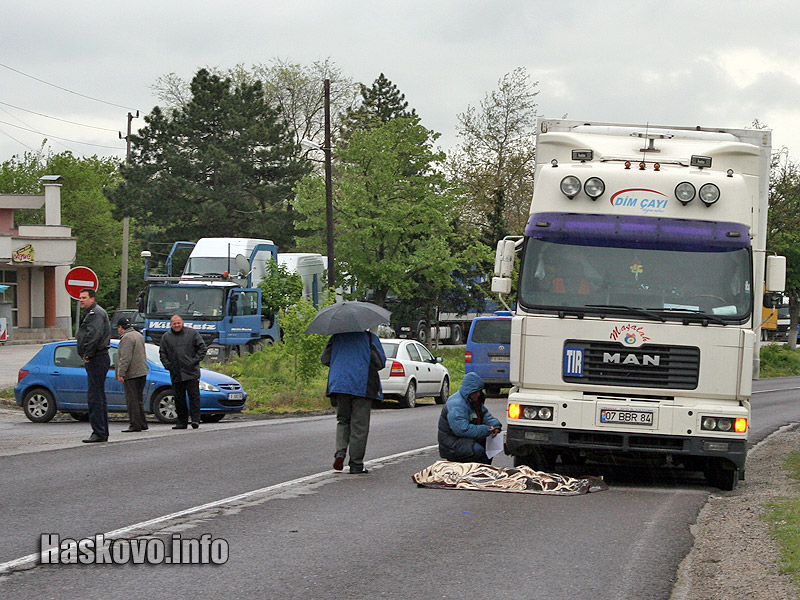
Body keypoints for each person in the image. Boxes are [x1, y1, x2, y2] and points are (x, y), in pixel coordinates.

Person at [322, 330, 386, 474]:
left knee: (343, 420)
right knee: (359, 425)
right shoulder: (369, 338)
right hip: (361, 384)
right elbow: (380, 362)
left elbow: (325, 359)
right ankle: (356, 464)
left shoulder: (336, 337)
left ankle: (340, 452)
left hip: (339, 384)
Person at [438, 372, 503, 464]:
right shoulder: (457, 404)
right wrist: (486, 430)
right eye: (475, 392)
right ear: (468, 391)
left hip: (465, 439)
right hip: (452, 442)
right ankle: (476, 473)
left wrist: (495, 425)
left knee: (489, 450)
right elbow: (461, 429)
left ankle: (482, 472)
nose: (478, 394)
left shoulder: (473, 401)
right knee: (478, 452)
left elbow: (485, 415)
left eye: (480, 391)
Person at [76, 288, 112, 443]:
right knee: (98, 396)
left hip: (97, 357)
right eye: (80, 298)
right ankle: (101, 431)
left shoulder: (95, 313)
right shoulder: (93, 313)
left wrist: (87, 354)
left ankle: (98, 432)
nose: (81, 300)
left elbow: (94, 335)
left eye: (84, 297)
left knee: (95, 397)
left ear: (92, 298)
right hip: (98, 357)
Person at [159, 315, 207, 430]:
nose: (177, 325)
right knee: (179, 398)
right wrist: (168, 366)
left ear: (182, 323)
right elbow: (162, 353)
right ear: (171, 324)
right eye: (174, 323)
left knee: (194, 397)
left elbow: (202, 348)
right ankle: (182, 422)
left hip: (191, 372)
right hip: (176, 373)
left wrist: (193, 361)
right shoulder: (166, 337)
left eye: (178, 323)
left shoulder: (192, 334)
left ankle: (195, 420)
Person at [115, 317, 149, 432]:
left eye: (118, 328)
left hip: (132, 373)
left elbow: (125, 357)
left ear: (120, 327)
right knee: (138, 399)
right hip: (142, 371)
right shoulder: (138, 335)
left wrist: (121, 373)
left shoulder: (126, 338)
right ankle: (142, 423)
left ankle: (135, 424)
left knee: (132, 400)